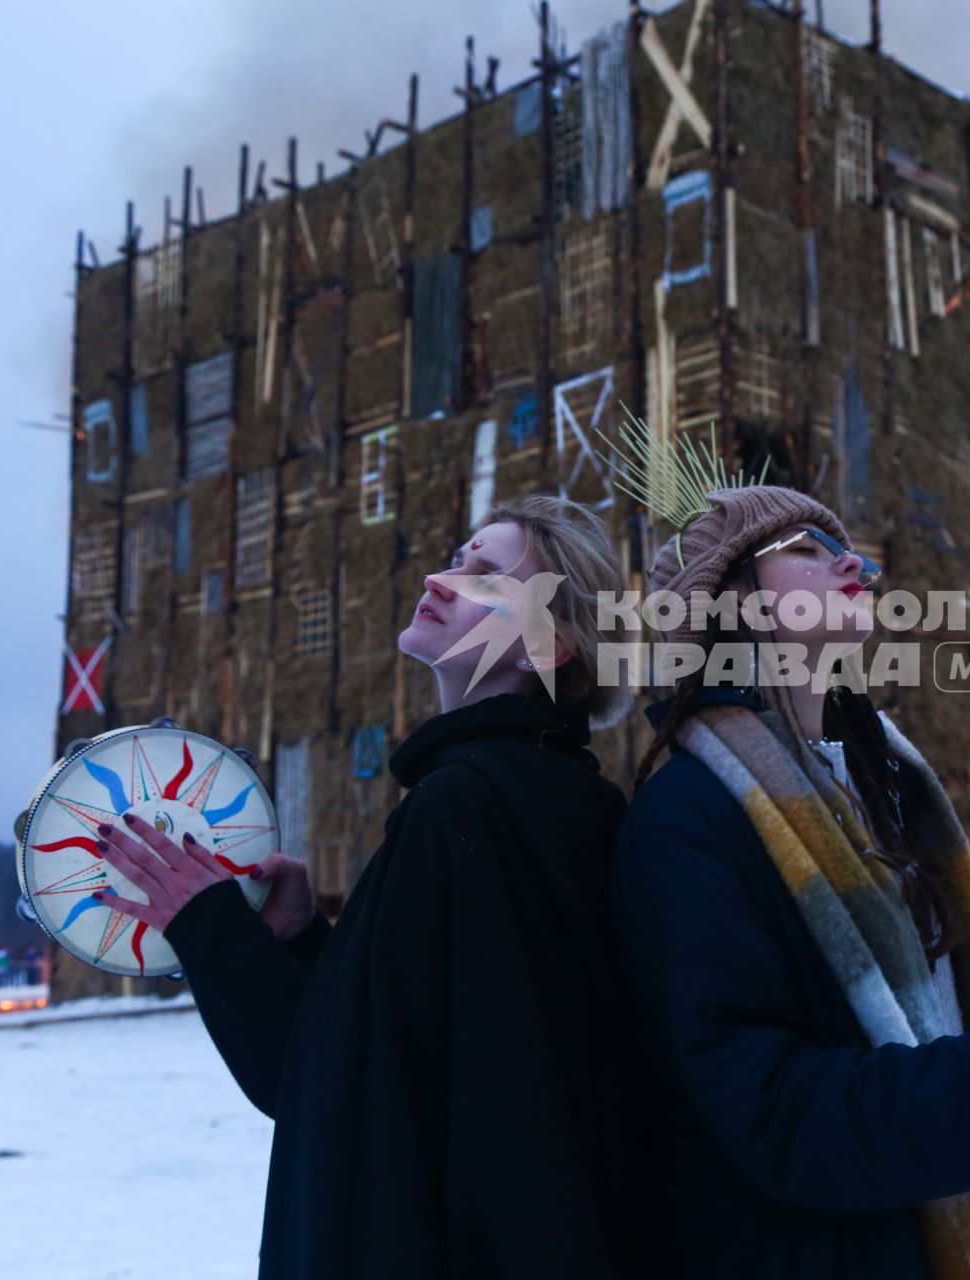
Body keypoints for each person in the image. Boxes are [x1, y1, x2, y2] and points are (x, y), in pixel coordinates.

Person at [92, 494, 648, 1279]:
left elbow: (325, 1087)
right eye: (459, 558)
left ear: (546, 647)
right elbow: (426, 1055)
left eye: (486, 576)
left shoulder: (465, 806)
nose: (440, 578)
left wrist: (205, 920)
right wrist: (312, 941)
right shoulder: (557, 798)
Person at [610, 484, 970, 1280]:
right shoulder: (686, 817)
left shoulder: (882, 785)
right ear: (735, 604)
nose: (852, 562)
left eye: (842, 546)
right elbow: (758, 1103)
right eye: (804, 552)